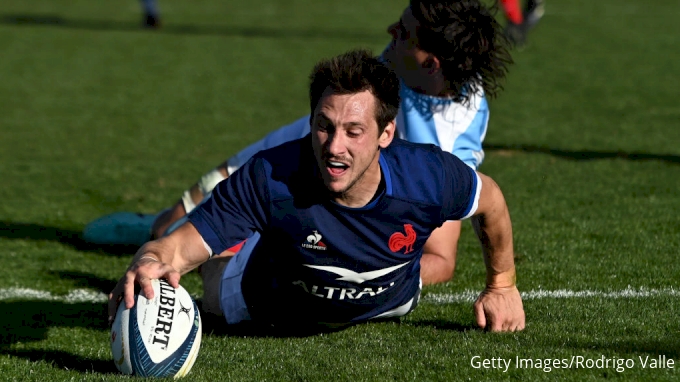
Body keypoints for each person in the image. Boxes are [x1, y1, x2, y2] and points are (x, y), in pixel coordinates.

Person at [86, 0, 513, 286]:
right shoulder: (422, 59)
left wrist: (363, 278)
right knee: (170, 229)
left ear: (430, 64)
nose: (390, 32)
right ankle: (154, 225)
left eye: (403, 32)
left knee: (227, 251)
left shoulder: (446, 140)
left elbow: (441, 258)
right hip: (297, 139)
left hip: (323, 171)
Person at [108, 49, 525, 333]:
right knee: (207, 268)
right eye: (324, 126)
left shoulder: (427, 175)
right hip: (261, 300)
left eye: (353, 131)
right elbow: (176, 249)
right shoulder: (270, 177)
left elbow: (490, 200)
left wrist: (502, 285)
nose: (334, 146)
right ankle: (236, 243)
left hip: (390, 299)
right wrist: (152, 258)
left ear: (386, 134)